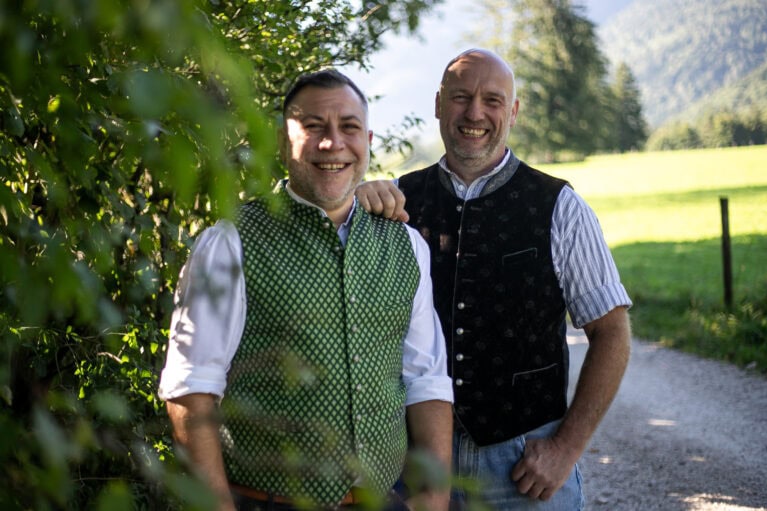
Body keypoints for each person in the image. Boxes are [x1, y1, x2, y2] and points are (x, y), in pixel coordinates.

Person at [158, 69, 454, 511]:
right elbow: (190, 388)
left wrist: (433, 497)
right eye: (313, 126)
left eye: (348, 128)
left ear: (368, 139)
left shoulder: (406, 245)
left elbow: (426, 379)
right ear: (283, 140)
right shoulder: (231, 243)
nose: (332, 142)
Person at [356, 49, 632, 510]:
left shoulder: (559, 206)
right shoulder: (397, 203)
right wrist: (355, 200)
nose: (475, 113)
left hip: (522, 469)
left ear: (514, 111)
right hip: (414, 466)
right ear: (439, 104)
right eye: (461, 97)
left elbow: (612, 334)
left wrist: (566, 449)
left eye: (493, 100)